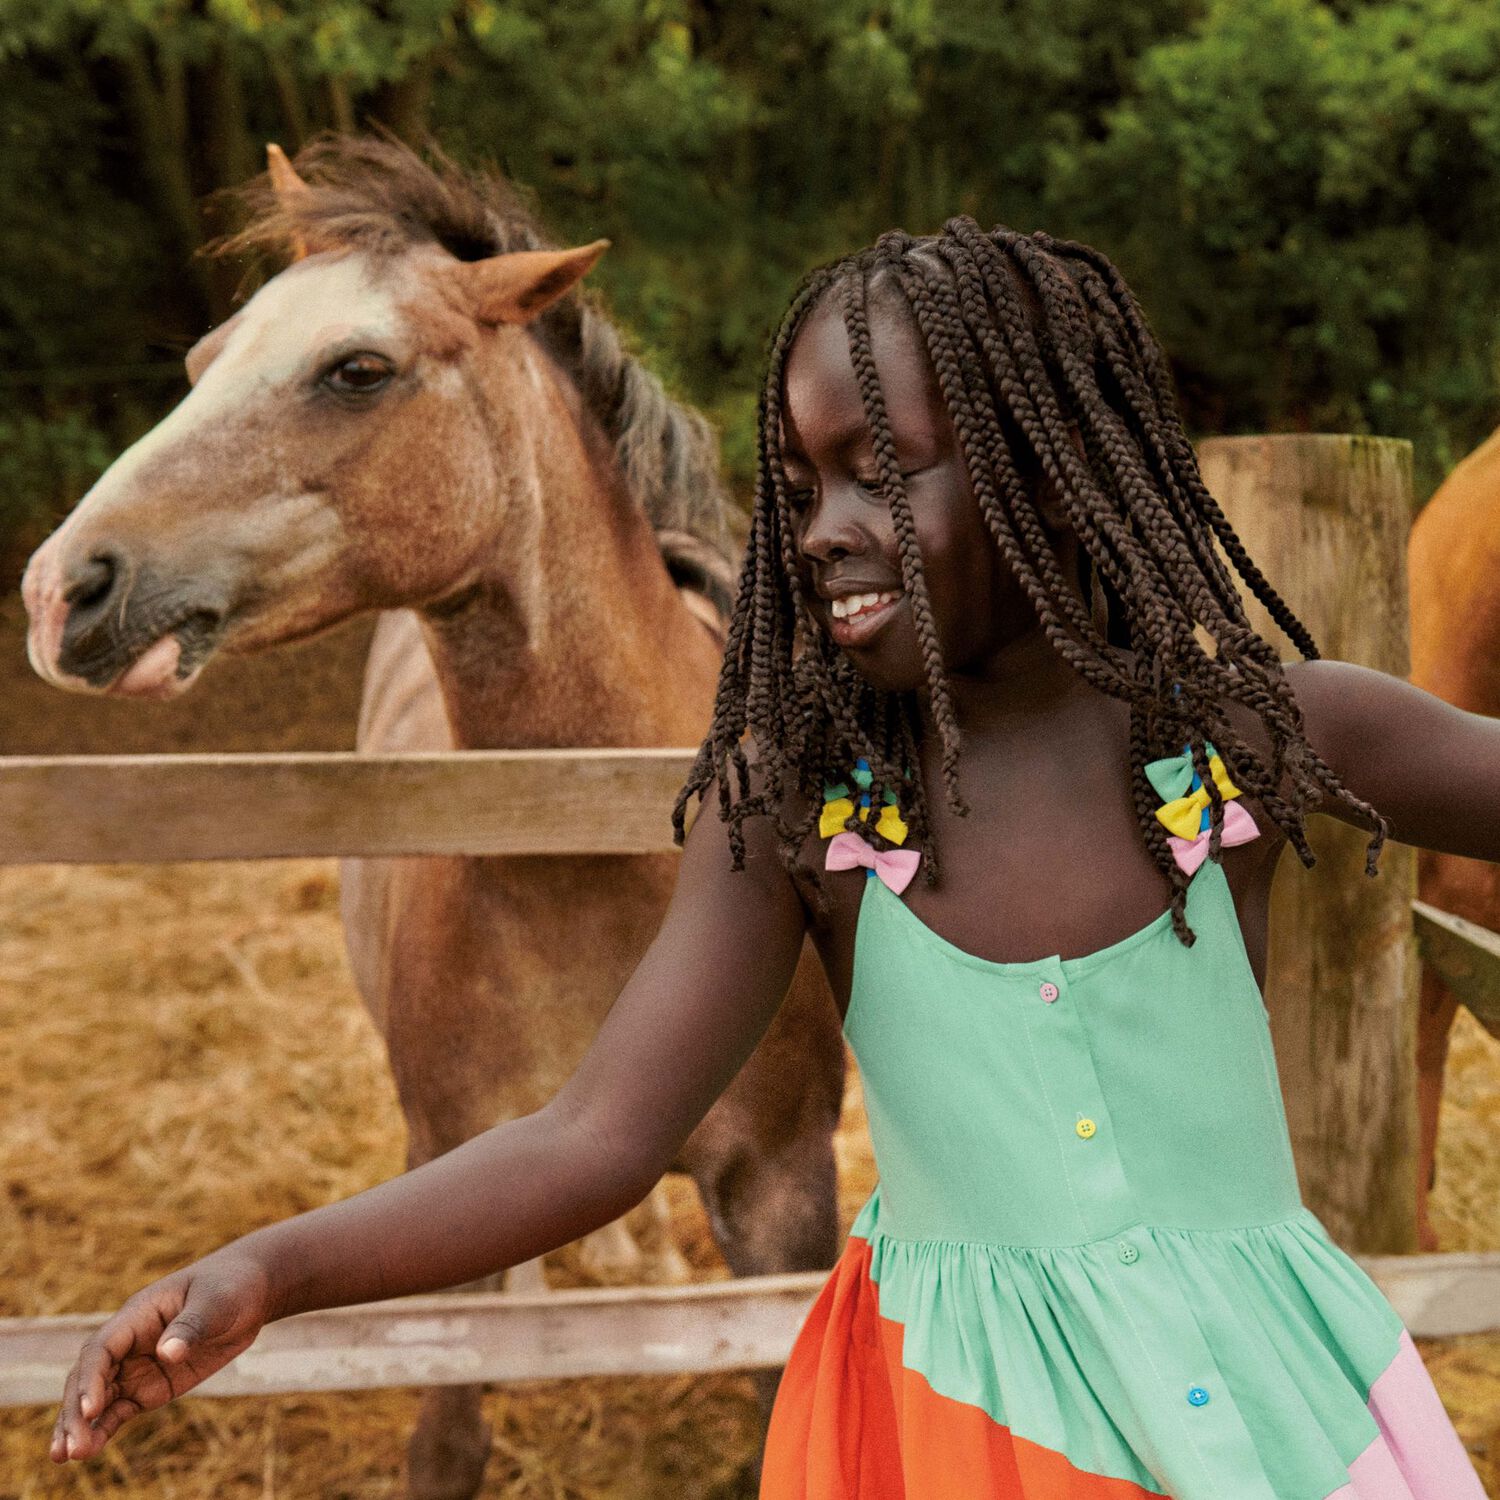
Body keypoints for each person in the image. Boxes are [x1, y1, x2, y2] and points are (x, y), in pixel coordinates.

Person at [50, 219, 1492, 1498]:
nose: (820, 535)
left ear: (1052, 479)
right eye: (802, 487)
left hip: (1279, 1405)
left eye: (882, 477)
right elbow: (589, 1139)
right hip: (952, 1431)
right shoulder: (813, 807)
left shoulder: (1251, 734)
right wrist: (269, 1269)